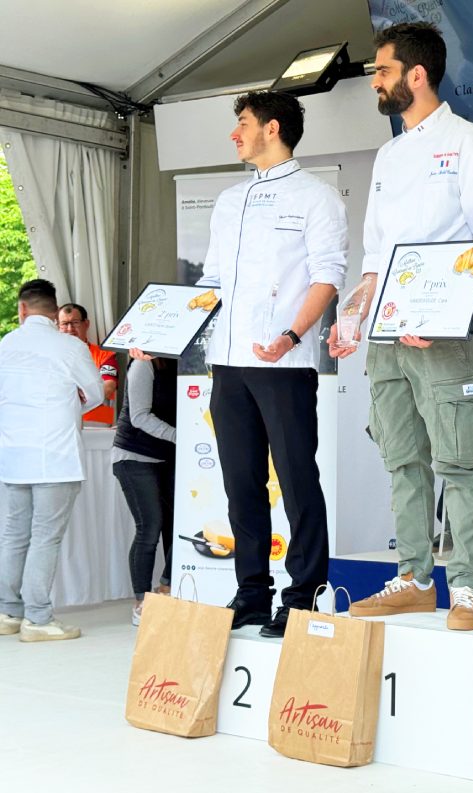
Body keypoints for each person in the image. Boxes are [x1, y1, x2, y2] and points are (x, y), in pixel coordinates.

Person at [134, 90, 348, 638]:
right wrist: (157, 334)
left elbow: (328, 274)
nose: (235, 134)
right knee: (240, 484)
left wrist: (292, 333)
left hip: (285, 362)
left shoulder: (317, 197)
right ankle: (252, 592)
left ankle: (302, 596)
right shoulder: (230, 200)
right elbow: (210, 284)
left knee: (299, 481)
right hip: (226, 365)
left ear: (272, 129)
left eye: (243, 124)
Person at [329, 22, 473, 630]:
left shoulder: (469, 142)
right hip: (387, 334)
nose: (374, 83)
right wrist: (352, 313)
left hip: (445, 332)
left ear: (416, 75)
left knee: (458, 461)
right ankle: (411, 576)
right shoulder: (388, 153)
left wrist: (440, 313)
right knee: (401, 458)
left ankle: (465, 587)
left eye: (381, 71)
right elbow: (376, 256)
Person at [0, 279, 104, 641]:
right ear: (52, 308)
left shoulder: (6, 344)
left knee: (13, 536)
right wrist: (72, 406)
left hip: (13, 456)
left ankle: (7, 612)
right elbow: (96, 394)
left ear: (23, 309)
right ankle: (38, 619)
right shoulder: (70, 347)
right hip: (55, 456)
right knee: (45, 537)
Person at [112, 357, 177, 626]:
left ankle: (165, 587)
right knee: (149, 527)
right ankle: (141, 601)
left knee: (178, 526)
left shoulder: (186, 363)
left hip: (168, 457)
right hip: (134, 456)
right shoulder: (144, 362)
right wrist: (181, 436)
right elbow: (139, 416)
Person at [58, 302, 118, 425]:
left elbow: (109, 386)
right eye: (64, 324)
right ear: (58, 326)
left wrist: (70, 397)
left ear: (86, 324)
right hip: (61, 422)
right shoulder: (52, 356)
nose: (70, 329)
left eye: (75, 322)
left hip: (96, 424)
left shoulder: (104, 354)